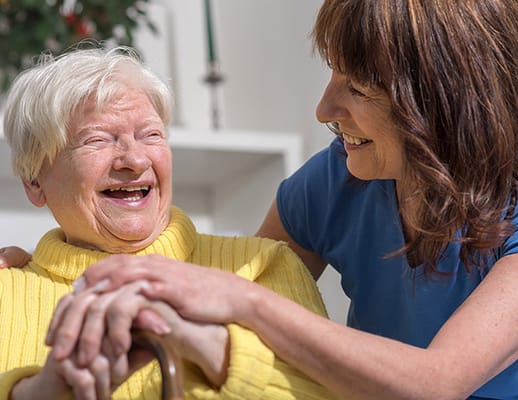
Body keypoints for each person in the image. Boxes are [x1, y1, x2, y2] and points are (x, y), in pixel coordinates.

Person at [3, 0, 518, 398]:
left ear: (440, 100)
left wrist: (245, 300)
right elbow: (229, 310)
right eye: (97, 139)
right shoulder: (337, 179)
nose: (323, 108)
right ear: (34, 180)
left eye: (357, 88)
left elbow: (438, 383)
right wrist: (46, 274)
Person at [0, 45, 335, 399]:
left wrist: (213, 350)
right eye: (97, 139)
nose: (134, 159)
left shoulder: (263, 267)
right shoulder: (7, 291)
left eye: (151, 135)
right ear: (35, 182)